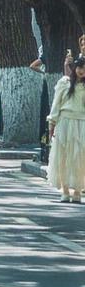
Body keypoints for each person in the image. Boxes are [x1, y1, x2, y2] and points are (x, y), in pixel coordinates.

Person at [48, 54, 85, 203]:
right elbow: (56, 105)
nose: (82, 71)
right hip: (65, 123)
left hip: (82, 123)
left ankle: (77, 191)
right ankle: (64, 190)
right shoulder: (65, 83)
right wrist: (52, 124)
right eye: (80, 67)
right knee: (62, 157)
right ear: (75, 67)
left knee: (80, 158)